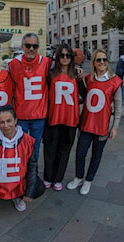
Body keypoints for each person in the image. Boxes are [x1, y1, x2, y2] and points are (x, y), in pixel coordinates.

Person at [67, 49, 122, 195]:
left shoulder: (115, 81)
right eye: (99, 60)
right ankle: (79, 177)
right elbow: (83, 96)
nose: (102, 62)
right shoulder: (88, 79)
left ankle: (88, 180)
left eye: (104, 59)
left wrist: (115, 127)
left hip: (103, 125)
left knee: (96, 155)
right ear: (94, 63)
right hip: (87, 123)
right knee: (80, 153)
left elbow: (118, 106)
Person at [0, 105, 45, 212]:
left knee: (38, 188)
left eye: (9, 121)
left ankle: (18, 197)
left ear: (15, 120)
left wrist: (29, 191)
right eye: (2, 122)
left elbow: (32, 166)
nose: (6, 125)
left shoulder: (28, 141)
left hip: (18, 183)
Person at [43, 44, 86, 191]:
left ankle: (58, 178)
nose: (65, 58)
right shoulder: (50, 74)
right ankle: (48, 176)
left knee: (64, 150)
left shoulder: (76, 75)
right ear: (57, 57)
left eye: (68, 55)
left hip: (70, 120)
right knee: (50, 149)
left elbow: (85, 94)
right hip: (53, 118)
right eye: (62, 55)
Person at [7, 33, 51, 167]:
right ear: (22, 46)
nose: (31, 49)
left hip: (39, 116)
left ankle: (32, 173)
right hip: (21, 116)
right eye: (28, 45)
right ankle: (20, 173)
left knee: (35, 148)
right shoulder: (14, 64)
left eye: (35, 46)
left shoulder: (46, 62)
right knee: (19, 147)